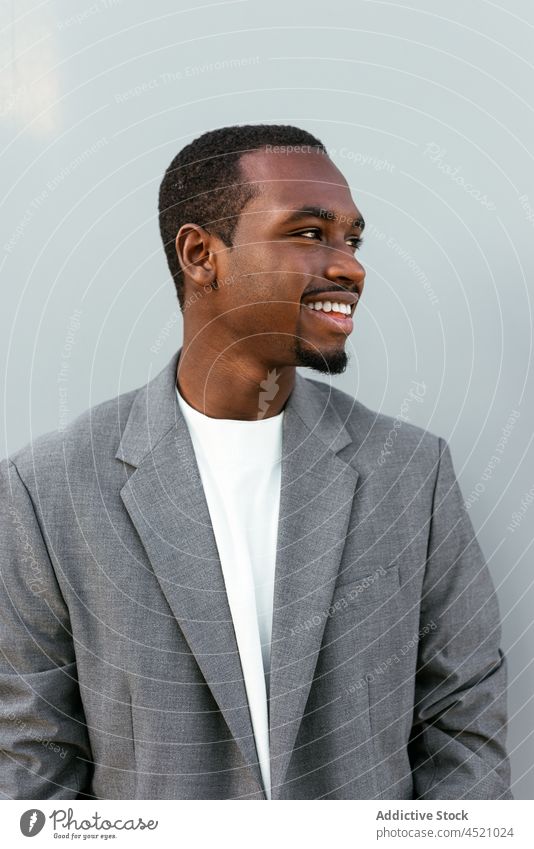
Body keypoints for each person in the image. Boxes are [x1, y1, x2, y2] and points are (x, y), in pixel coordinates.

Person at [0, 124, 512, 800]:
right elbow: (32, 764)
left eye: (352, 240)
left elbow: (465, 725)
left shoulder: (412, 473)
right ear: (201, 255)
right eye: (307, 233)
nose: (350, 266)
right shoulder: (49, 490)